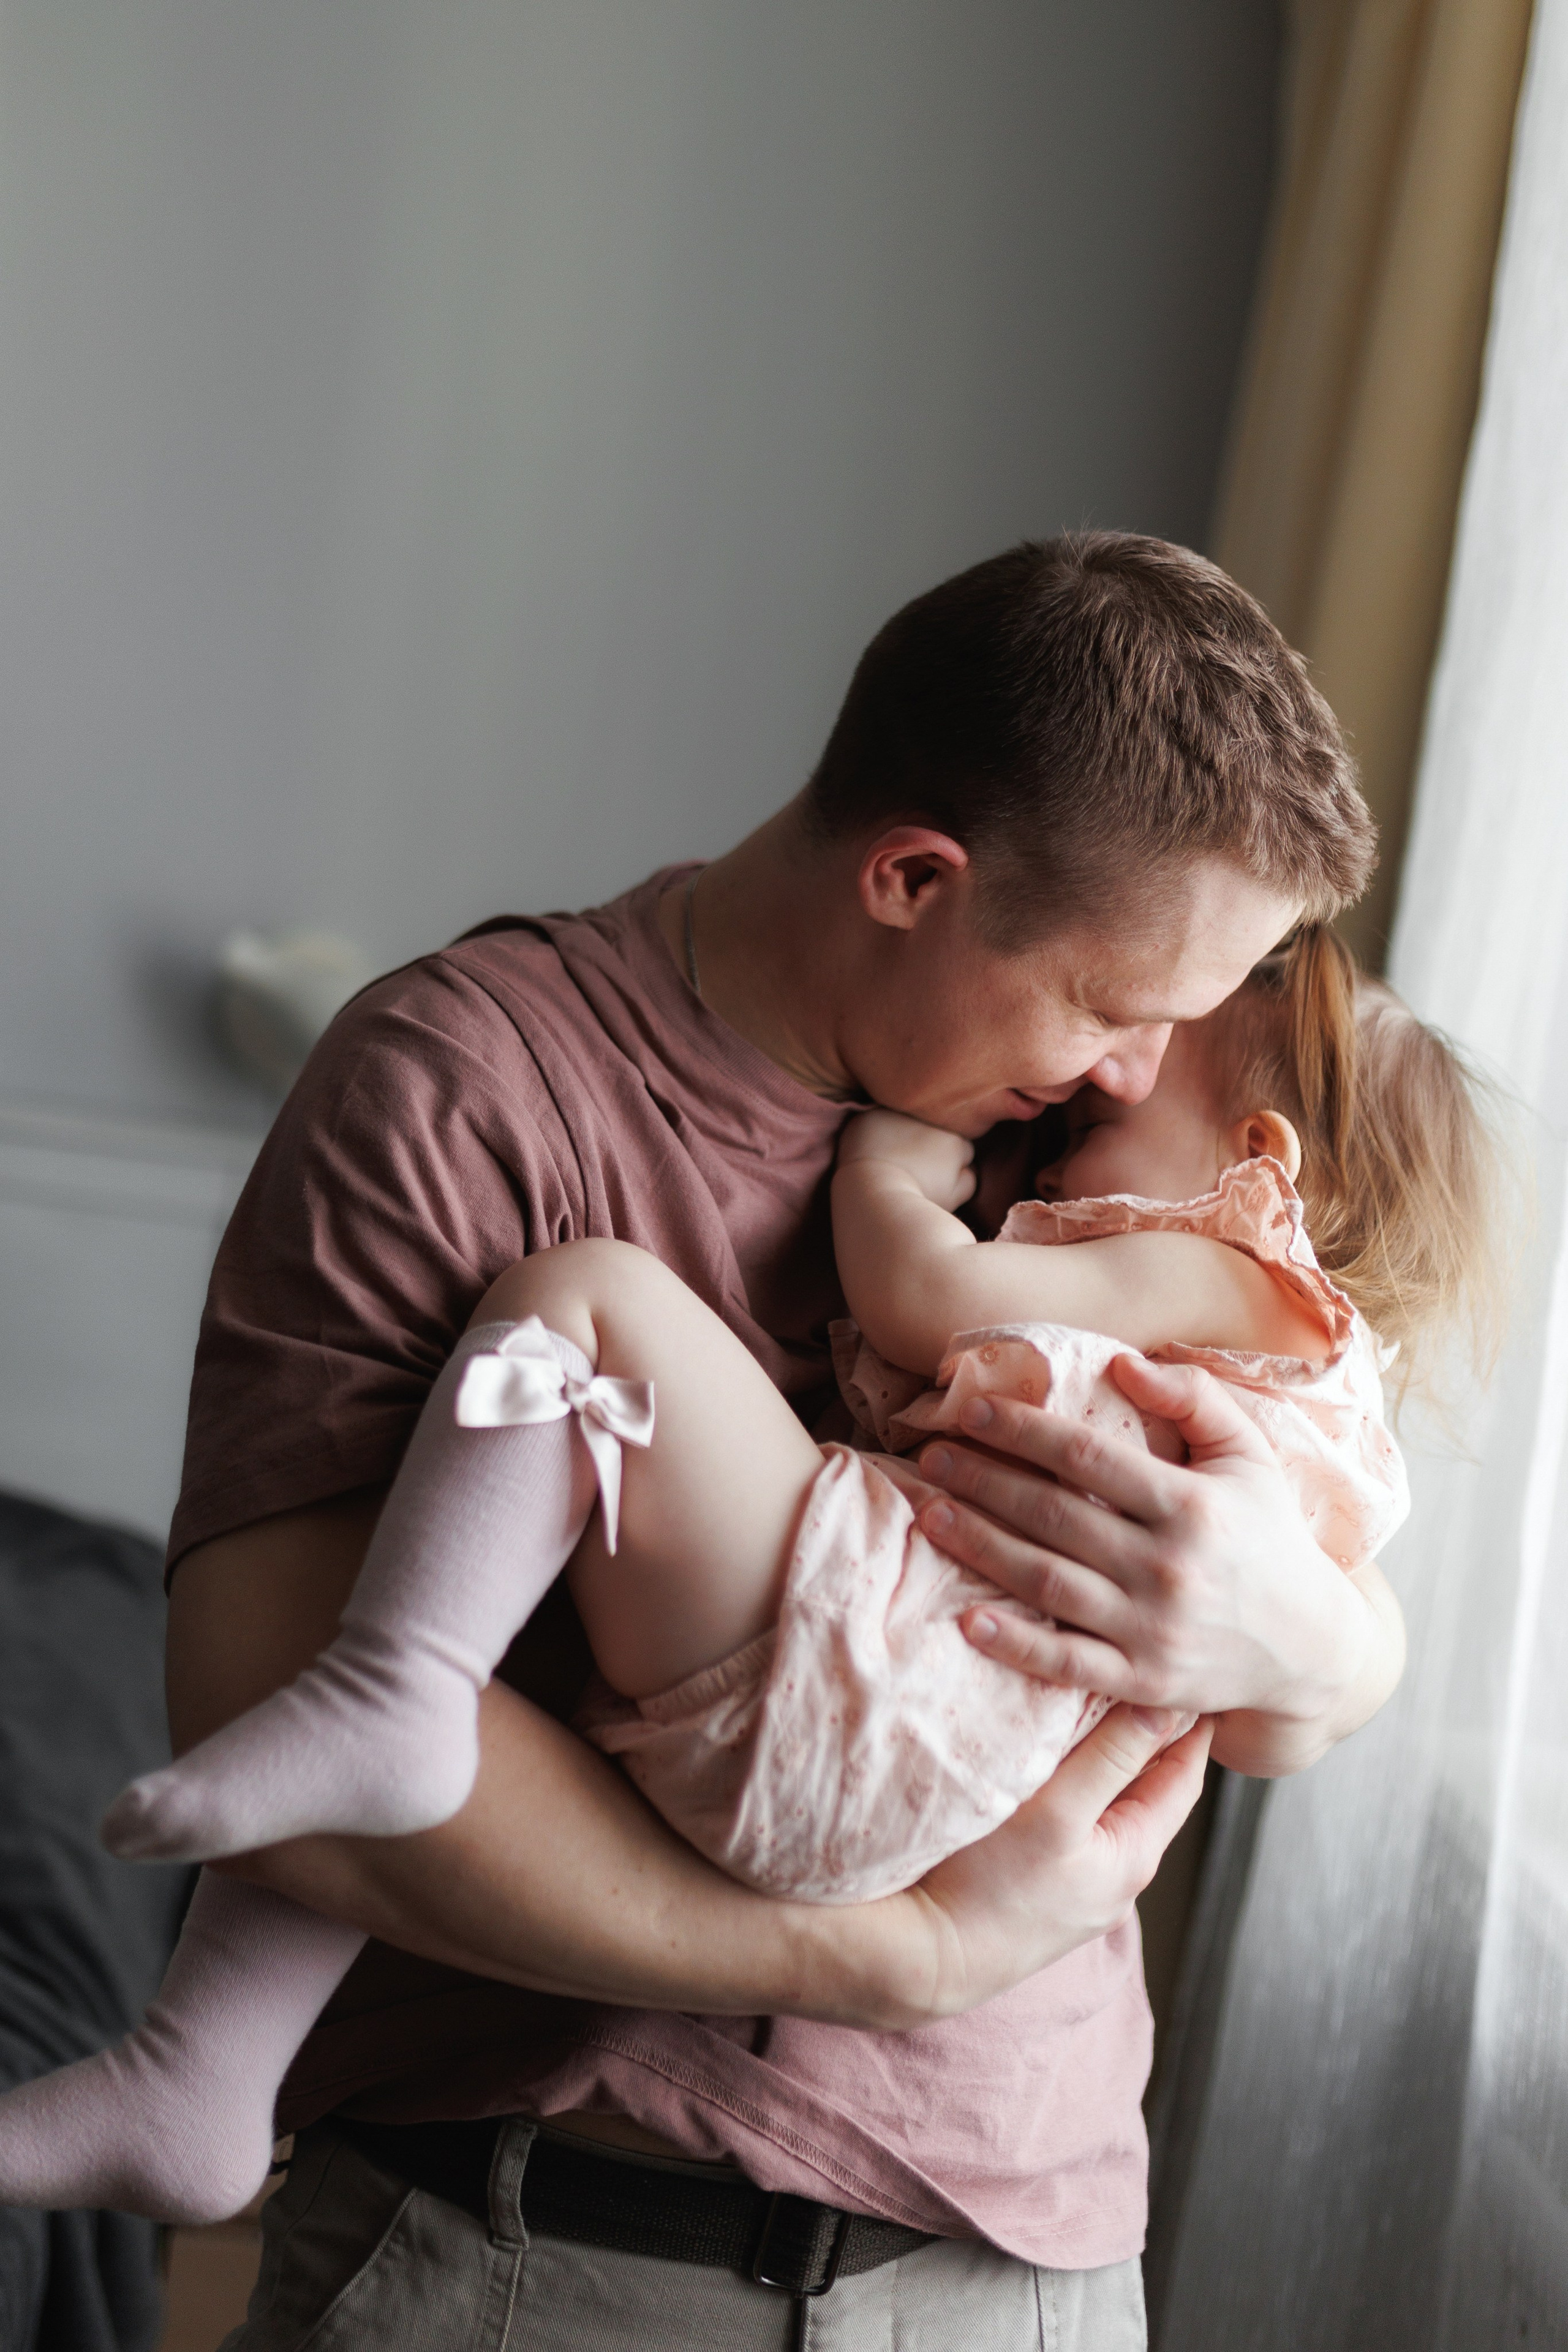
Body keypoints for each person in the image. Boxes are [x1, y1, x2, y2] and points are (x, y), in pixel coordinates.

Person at [100, 538, 1399, 2346]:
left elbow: (1311, 1492)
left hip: (1028, 2265)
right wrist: (889, 1960)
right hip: (545, 2253)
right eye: (1115, 1003)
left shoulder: (1077, 1152)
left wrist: (1323, 1646)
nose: (1134, 1068)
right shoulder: (465, 1091)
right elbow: (278, 1722)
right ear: (914, 878)